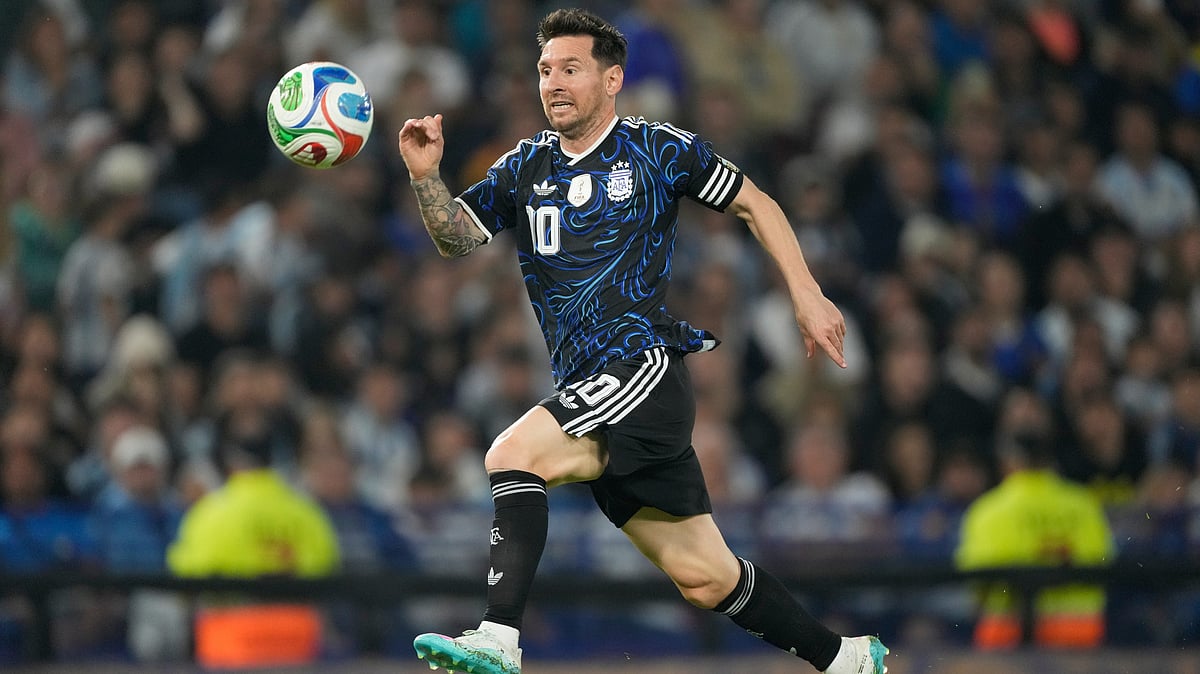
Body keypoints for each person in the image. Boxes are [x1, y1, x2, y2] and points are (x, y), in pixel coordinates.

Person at [397, 8, 887, 674]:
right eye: (545, 70)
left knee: (513, 454)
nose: (554, 83)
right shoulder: (525, 166)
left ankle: (498, 638)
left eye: (571, 68)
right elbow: (455, 238)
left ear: (613, 78)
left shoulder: (656, 149)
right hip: (593, 391)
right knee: (706, 578)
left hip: (640, 369)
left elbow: (756, 203)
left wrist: (805, 292)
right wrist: (426, 174)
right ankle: (847, 659)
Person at [955, 432, 1114, 649]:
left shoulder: (987, 511)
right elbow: (1105, 566)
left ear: (1009, 462)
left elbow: (975, 586)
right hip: (1078, 638)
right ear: (1050, 463)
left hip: (1007, 642)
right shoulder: (1084, 505)